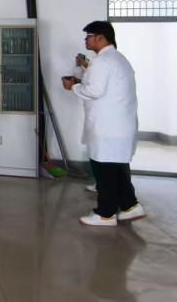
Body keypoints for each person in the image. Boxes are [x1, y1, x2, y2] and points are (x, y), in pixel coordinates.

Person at [62, 21, 146, 227]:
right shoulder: (117, 59)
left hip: (108, 126)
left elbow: (94, 90)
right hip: (118, 125)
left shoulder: (103, 62)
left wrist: (73, 87)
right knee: (117, 168)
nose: (86, 40)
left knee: (105, 170)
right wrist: (81, 74)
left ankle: (105, 214)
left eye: (89, 36)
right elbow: (97, 84)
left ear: (100, 37)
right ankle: (130, 205)